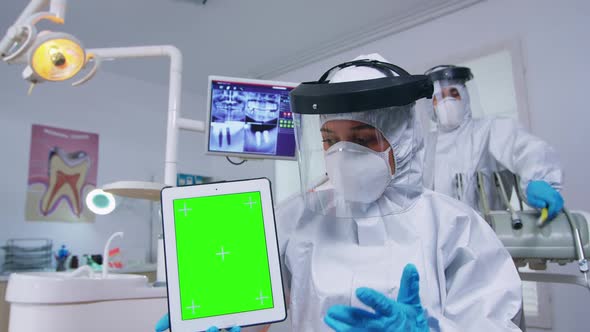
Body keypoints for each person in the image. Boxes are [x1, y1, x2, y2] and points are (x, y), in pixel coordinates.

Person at [156, 54, 523, 331]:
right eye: (330, 140)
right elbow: (250, 309)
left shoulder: (453, 225)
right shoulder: (293, 217)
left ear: (404, 140)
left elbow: (496, 321)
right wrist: (214, 319)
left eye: (363, 139)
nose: (343, 155)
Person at [422, 65, 564, 220]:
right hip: (441, 235)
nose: (446, 102)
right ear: (431, 105)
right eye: (439, 97)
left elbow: (525, 149)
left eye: (453, 93)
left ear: (464, 96)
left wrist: (539, 178)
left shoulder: (489, 130)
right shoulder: (426, 146)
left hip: (488, 232)